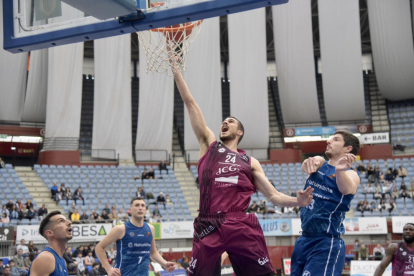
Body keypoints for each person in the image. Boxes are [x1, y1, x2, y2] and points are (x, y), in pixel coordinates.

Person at [173, 66, 313, 276]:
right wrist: (176, 69)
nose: (225, 123)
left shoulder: (250, 161)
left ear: (239, 132)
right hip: (208, 223)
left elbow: (273, 195)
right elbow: (190, 102)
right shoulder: (209, 146)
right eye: (223, 121)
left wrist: (298, 202)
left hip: (239, 223)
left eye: (230, 121)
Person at [291, 131, 361, 276]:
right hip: (303, 239)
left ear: (348, 148)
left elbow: (346, 188)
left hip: (326, 242)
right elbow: (306, 166)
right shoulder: (320, 164)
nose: (328, 142)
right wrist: (312, 161)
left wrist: (340, 170)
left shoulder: (351, 174)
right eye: (329, 139)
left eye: (335, 140)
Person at [95, 197, 175, 276]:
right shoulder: (121, 229)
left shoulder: (151, 229)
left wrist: (164, 263)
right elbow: (99, 248)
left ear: (145, 210)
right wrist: (109, 269)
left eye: (142, 205)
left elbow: (153, 252)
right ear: (130, 210)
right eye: (137, 205)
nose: (140, 208)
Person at [27, 211, 73, 276]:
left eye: (66, 220)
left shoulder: (63, 261)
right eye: (61, 221)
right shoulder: (46, 258)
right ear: (50, 233)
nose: (69, 222)